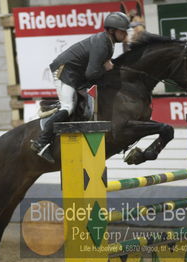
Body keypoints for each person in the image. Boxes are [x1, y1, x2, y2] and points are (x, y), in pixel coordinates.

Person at [30, 12, 130, 163]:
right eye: (122, 31)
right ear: (111, 30)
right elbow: (92, 73)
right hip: (64, 70)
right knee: (68, 106)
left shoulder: (108, 43)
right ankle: (41, 142)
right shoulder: (103, 44)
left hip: (76, 74)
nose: (125, 34)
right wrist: (107, 68)